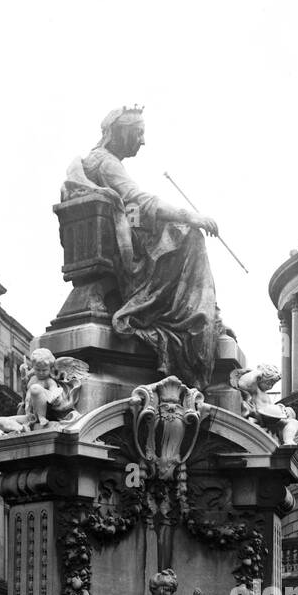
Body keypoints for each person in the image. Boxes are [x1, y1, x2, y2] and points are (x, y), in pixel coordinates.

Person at [61, 106, 220, 388]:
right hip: (124, 251)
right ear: (118, 133)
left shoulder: (102, 161)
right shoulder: (105, 163)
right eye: (138, 133)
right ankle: (190, 316)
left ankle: (196, 311)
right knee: (191, 237)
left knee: (177, 233)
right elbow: (138, 198)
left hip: (124, 237)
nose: (142, 141)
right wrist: (189, 215)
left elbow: (134, 209)